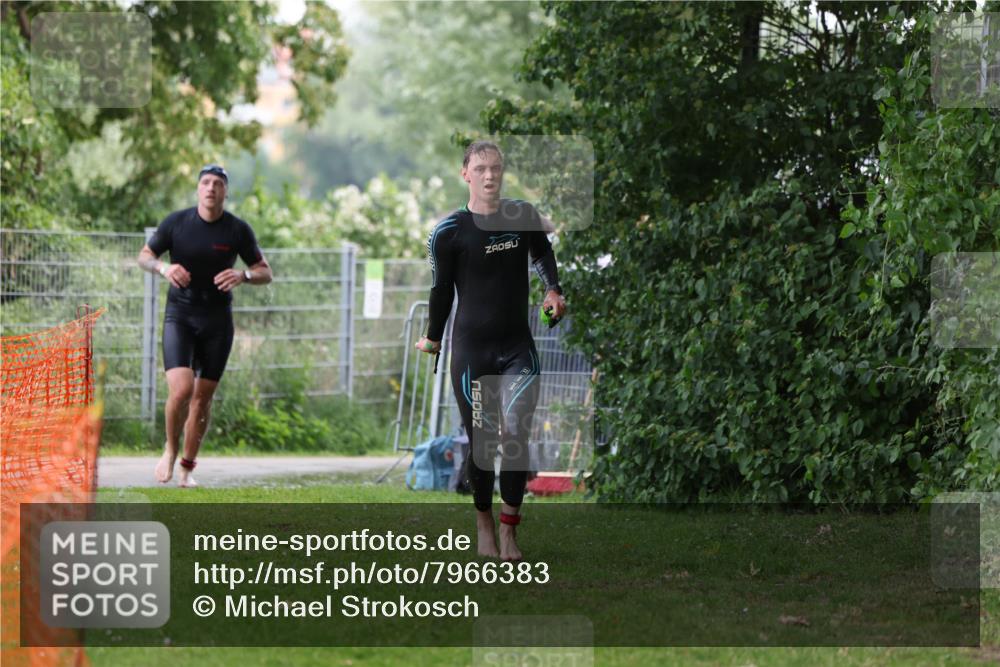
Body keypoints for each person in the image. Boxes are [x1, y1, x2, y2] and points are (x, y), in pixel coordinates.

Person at [416, 141, 566, 561]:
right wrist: (432, 337)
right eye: (481, 168)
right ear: (465, 173)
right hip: (472, 352)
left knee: (516, 434)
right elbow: (440, 291)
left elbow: (543, 253)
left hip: (518, 347)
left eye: (496, 168)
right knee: (482, 445)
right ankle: (483, 526)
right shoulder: (448, 232)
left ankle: (510, 534)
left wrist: (554, 291)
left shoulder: (521, 217)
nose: (489, 175)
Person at [137, 165, 272, 487]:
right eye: (206, 183)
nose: (211, 188)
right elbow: (144, 256)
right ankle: (170, 450)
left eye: (218, 184)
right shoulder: (177, 223)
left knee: (202, 399)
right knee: (182, 389)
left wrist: (243, 275)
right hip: (180, 316)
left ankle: (187, 466)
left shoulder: (237, 230)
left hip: (217, 321)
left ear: (226, 192)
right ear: (198, 189)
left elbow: (265, 271)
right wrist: (163, 268)